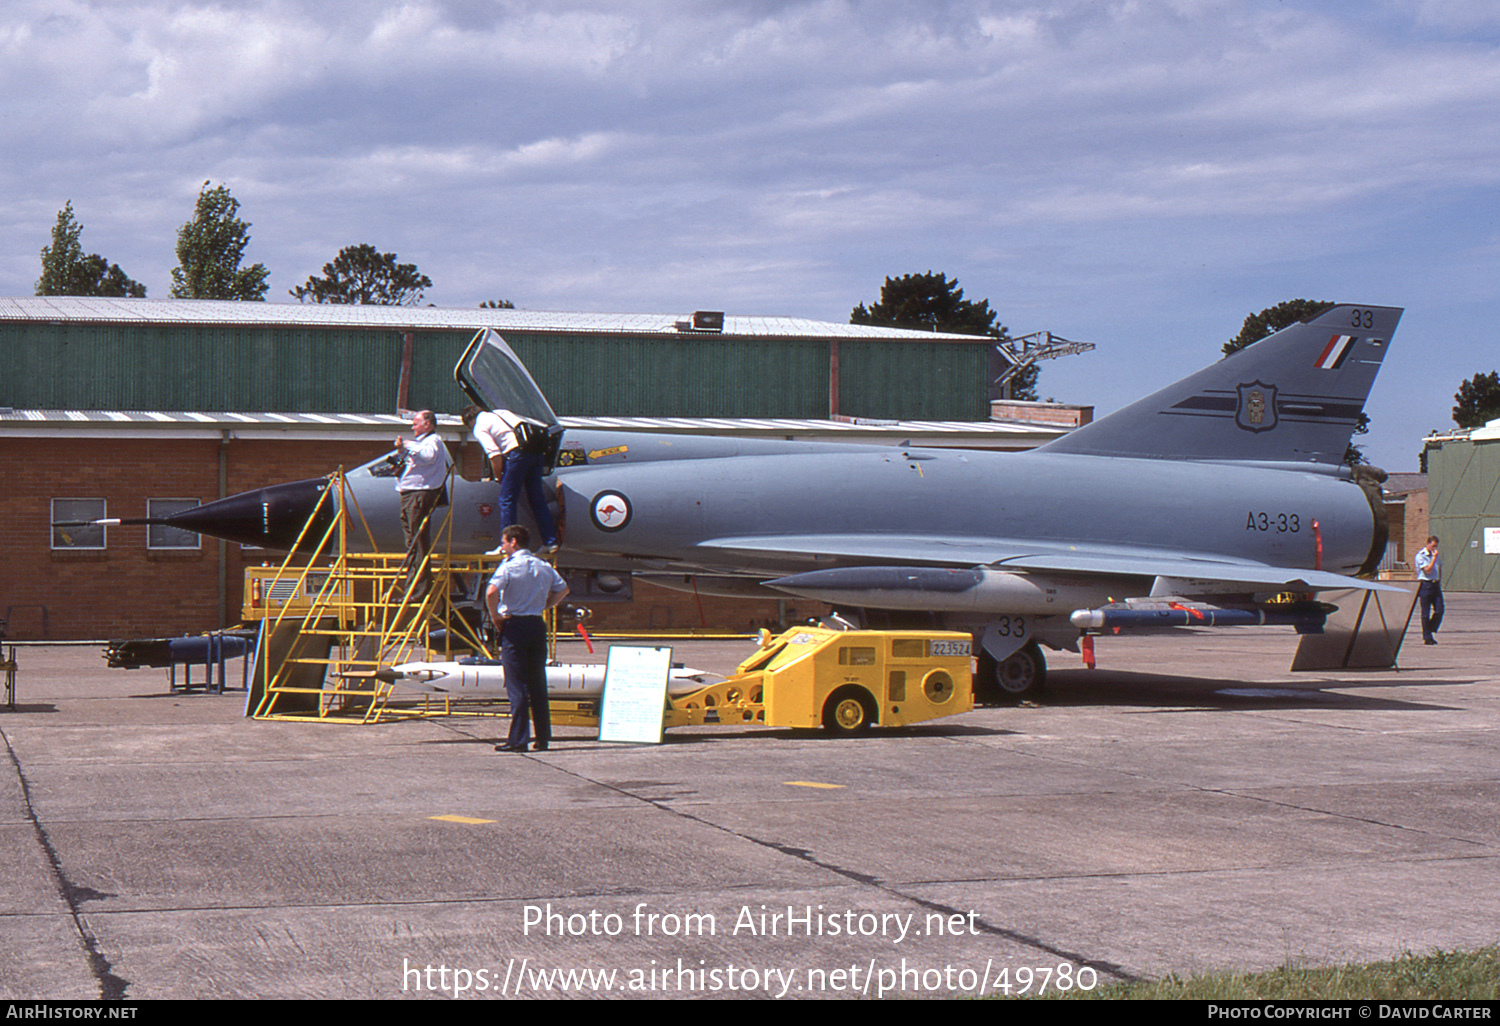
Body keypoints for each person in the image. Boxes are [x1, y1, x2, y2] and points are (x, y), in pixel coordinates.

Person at [487, 524, 569, 752]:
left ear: (513, 542)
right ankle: (542, 737)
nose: (502, 548)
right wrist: (546, 605)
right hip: (536, 624)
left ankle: (519, 738)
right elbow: (563, 589)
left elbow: (492, 592)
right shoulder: (543, 566)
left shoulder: (509, 566)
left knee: (516, 684)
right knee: (537, 683)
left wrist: (495, 616)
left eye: (503, 543)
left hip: (515, 625)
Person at [460, 404, 558, 554]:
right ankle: (550, 542)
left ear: (469, 421)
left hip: (517, 455)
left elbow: (494, 455)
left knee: (507, 500)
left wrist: (499, 476)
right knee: (537, 499)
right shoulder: (501, 413)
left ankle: (506, 545)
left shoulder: (479, 427)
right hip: (536, 453)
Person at [393, 410, 451, 597]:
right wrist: (402, 452)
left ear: (428, 424)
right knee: (412, 541)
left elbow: (429, 456)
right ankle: (416, 587)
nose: (412, 427)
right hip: (410, 494)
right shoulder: (421, 444)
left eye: (416, 423)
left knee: (417, 542)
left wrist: (409, 445)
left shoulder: (432, 442)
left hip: (419, 494)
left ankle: (419, 589)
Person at [1414, 535, 1443, 645]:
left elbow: (1439, 568)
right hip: (1425, 585)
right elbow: (1428, 571)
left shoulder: (1435, 555)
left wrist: (1439, 580)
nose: (1434, 548)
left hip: (1435, 585)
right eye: (1433, 545)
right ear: (1428, 544)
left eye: (1436, 546)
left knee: (1439, 610)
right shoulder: (1421, 556)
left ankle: (1430, 628)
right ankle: (1427, 637)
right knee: (1425, 613)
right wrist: (1434, 558)